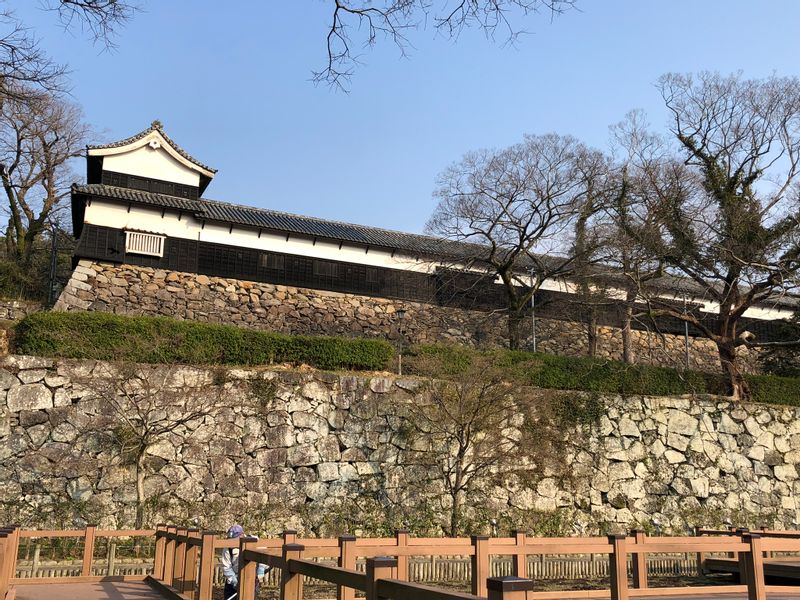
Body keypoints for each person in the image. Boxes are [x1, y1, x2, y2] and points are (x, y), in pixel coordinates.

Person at [221, 524, 269, 600]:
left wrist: (261, 567)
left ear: (242, 535)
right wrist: (234, 582)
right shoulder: (227, 548)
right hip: (233, 580)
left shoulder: (254, 541)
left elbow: (264, 554)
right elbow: (226, 567)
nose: (232, 542)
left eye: (235, 539)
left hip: (251, 579)